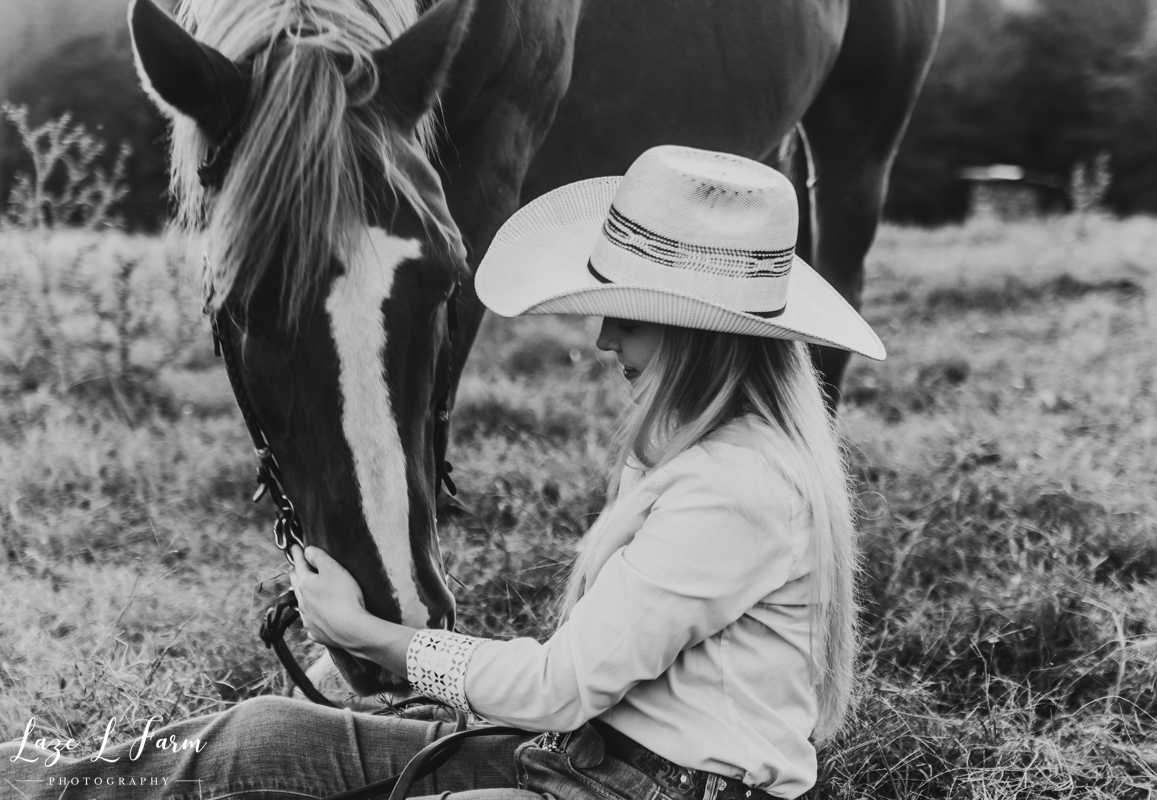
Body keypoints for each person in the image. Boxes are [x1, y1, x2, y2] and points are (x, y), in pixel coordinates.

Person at [1, 144, 884, 800]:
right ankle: (34, 782)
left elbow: (557, 686)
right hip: (591, 756)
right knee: (254, 739)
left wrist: (374, 636)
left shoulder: (736, 488)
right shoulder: (700, 454)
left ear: (700, 334)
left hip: (648, 787)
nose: (606, 338)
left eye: (629, 317)